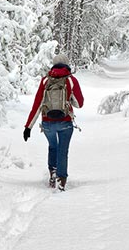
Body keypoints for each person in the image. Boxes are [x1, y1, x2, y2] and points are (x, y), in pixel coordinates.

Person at [23, 53, 84, 191]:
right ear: (67, 64)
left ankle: (53, 173)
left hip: (47, 123)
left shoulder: (45, 81)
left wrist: (28, 127)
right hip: (65, 122)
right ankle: (61, 181)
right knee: (63, 150)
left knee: (52, 146)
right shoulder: (71, 80)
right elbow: (79, 104)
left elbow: (37, 105)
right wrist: (69, 100)